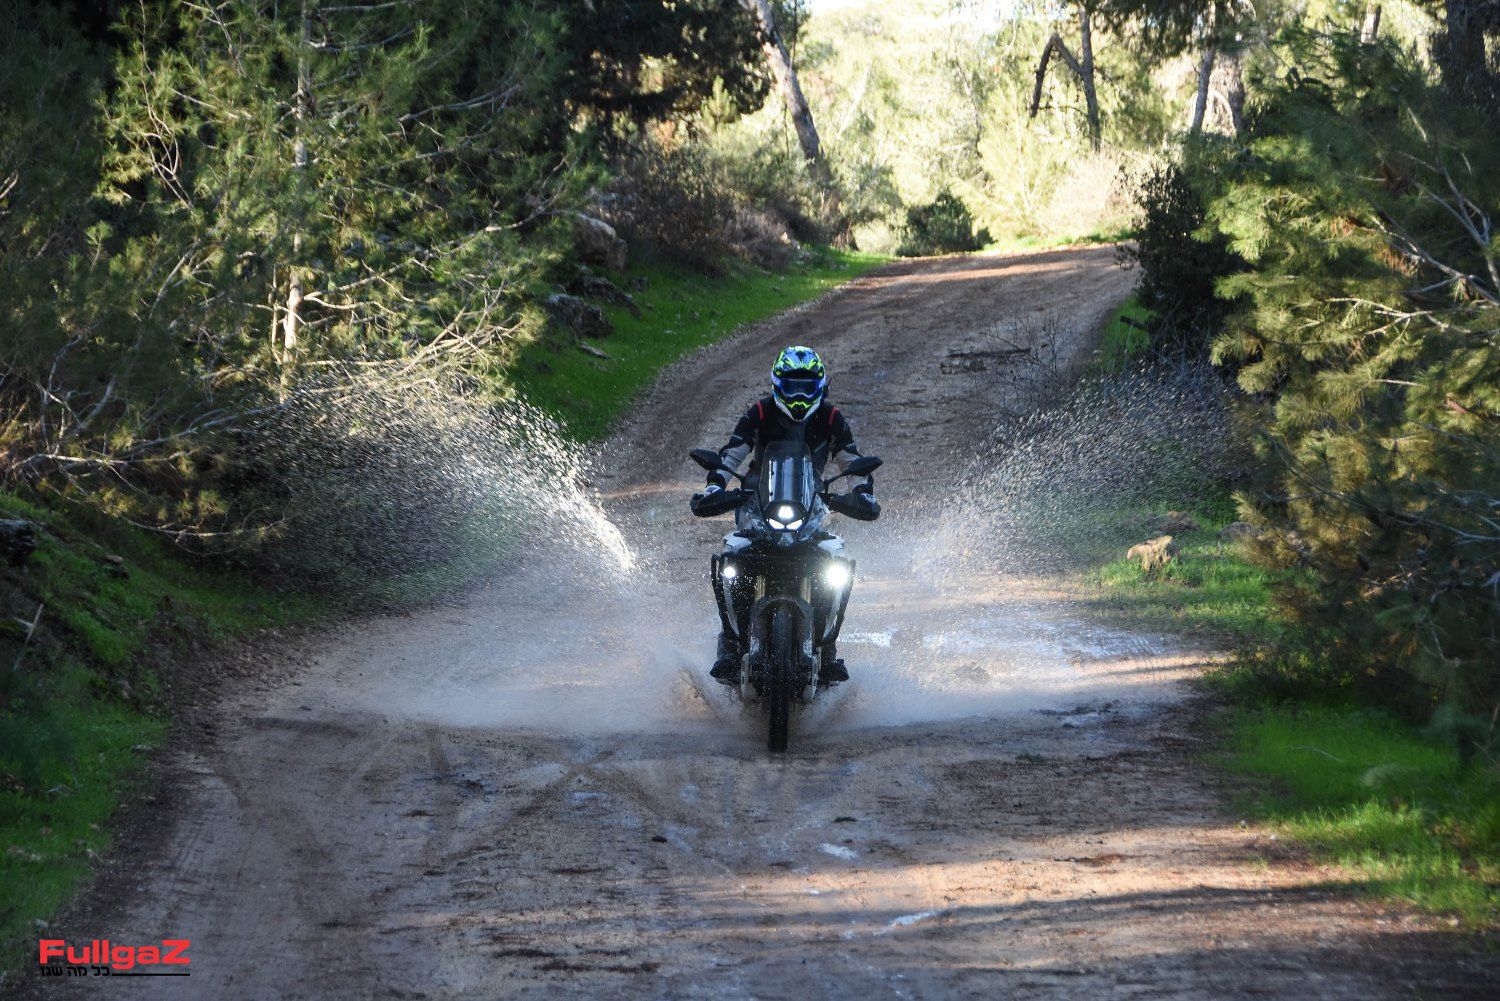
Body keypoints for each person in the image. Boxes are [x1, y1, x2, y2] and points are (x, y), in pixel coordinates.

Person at [690, 345, 878, 686]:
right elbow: (730, 455)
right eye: (792, 385)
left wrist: (863, 493)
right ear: (778, 384)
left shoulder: (831, 418)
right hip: (757, 508)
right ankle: (731, 646)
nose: (800, 393)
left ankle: (827, 646)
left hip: (811, 508)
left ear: (820, 385)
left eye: (807, 385)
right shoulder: (760, 413)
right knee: (733, 560)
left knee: (834, 563)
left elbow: (852, 461)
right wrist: (715, 487)